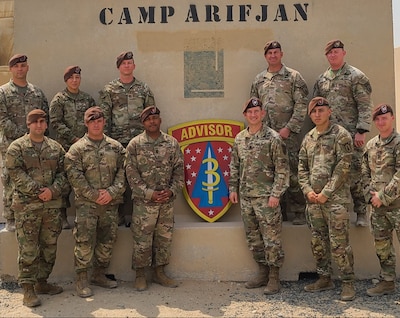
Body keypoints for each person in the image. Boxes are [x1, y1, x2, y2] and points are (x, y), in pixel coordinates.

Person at [5, 109, 69, 307]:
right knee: (29, 248)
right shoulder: (17, 147)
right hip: (27, 207)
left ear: (47, 124)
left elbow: (64, 173)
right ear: (28, 124)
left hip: (51, 206)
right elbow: (15, 173)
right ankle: (28, 289)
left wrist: (52, 191)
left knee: (49, 247)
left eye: (42, 121)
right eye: (35, 122)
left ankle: (42, 282)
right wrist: (37, 190)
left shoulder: (56, 148)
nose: (39, 125)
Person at [229, 97, 289, 295]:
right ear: (245, 115)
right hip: (246, 197)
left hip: (266, 199)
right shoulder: (239, 139)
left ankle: (274, 277)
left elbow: (282, 169)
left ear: (262, 114)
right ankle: (262, 271)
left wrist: (276, 194)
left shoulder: (273, 138)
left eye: (257, 112)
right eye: (249, 112)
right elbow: (234, 165)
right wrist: (232, 189)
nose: (253, 115)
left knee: (272, 238)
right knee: (253, 238)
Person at [64, 106, 126, 298]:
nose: (96, 124)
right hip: (86, 205)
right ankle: (82, 279)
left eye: (99, 121)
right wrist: (93, 195)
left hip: (110, 203)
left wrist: (111, 192)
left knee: (107, 240)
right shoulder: (77, 149)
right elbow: (74, 176)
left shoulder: (116, 147)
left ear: (104, 122)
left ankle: (99, 274)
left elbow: (124, 173)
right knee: (84, 241)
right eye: (92, 121)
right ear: (86, 123)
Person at [298, 97, 356, 301]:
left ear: (329, 111)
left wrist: (326, 193)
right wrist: (307, 191)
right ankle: (324, 278)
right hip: (313, 201)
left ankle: (348, 283)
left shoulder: (341, 135)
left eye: (321, 110)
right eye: (313, 111)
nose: (317, 114)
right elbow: (302, 168)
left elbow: (344, 168)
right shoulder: (309, 138)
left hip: (335, 201)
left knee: (340, 243)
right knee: (318, 242)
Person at [313, 39, 373, 227]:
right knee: (333, 174)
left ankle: (361, 211)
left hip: (351, 134)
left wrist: (361, 130)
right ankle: (338, 212)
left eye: (336, 51)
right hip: (329, 136)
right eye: (330, 52)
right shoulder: (322, 79)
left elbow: (365, 104)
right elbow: (316, 107)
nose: (333, 55)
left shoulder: (355, 76)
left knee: (355, 172)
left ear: (343, 53)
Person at [250, 40, 309, 225]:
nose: (273, 55)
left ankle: (299, 210)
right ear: (265, 56)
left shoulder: (293, 77)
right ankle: (279, 210)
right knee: (271, 172)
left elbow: (301, 105)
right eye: (269, 53)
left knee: (292, 172)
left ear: (281, 54)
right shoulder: (259, 79)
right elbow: (254, 107)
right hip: (266, 137)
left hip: (287, 135)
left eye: (276, 52)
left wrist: (289, 128)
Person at [125, 106, 184, 291]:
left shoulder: (172, 143)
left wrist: (172, 191)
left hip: (166, 202)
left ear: (160, 120)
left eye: (155, 118)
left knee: (163, 239)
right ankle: (140, 275)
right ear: (143, 123)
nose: (152, 121)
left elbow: (180, 171)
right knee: (142, 239)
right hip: (144, 203)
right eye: (148, 119)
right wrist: (150, 193)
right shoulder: (135, 145)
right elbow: (131, 174)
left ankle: (160, 273)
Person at [99, 51, 156, 227]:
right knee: (117, 177)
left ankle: (134, 215)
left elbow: (151, 115)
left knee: (138, 178)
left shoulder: (143, 88)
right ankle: (118, 215)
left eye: (130, 63)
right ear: (119, 67)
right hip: (117, 141)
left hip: (139, 142)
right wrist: (105, 141)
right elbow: (104, 116)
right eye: (124, 63)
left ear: (134, 66)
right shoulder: (109, 89)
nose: (127, 66)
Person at [0, 54, 49, 231]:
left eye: (23, 65)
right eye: (16, 66)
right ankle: (10, 218)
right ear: (11, 69)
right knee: (10, 179)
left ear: (27, 68)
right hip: (11, 146)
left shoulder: (37, 92)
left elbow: (45, 117)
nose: (20, 69)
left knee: (35, 178)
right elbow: (2, 120)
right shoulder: (3, 92)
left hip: (36, 146)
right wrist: (25, 135)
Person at [49, 65, 96, 230]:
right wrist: (73, 138)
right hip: (66, 147)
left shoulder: (88, 99)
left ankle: (83, 215)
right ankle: (62, 216)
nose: (74, 81)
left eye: (77, 77)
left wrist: (85, 139)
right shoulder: (59, 99)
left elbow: (93, 120)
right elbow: (55, 122)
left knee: (85, 179)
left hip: (85, 148)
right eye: (71, 78)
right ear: (66, 80)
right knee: (64, 182)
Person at [361, 104, 400, 297]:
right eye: (377, 119)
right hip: (377, 208)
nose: (381, 122)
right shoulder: (370, 145)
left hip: (397, 206)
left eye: (385, 118)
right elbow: (364, 173)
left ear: (392, 118)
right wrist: (371, 196)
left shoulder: (399, 143)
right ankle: (387, 282)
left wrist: (383, 197)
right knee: (382, 247)